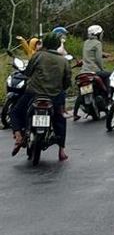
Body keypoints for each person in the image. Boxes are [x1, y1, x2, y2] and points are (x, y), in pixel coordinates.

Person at [10, 33, 71, 161]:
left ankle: (18, 136)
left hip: (34, 93)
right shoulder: (64, 61)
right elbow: (66, 82)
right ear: (57, 45)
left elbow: (28, 72)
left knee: (15, 111)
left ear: (45, 44)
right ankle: (61, 151)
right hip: (54, 96)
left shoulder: (38, 55)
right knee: (60, 119)